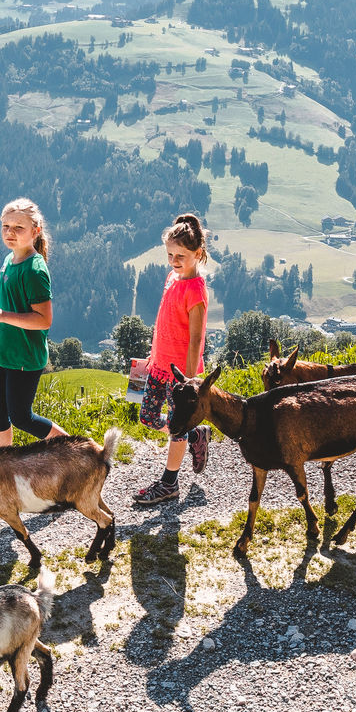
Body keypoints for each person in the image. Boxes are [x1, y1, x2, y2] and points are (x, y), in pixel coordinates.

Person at [131, 213, 213, 506]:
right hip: (159, 365)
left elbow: (195, 339)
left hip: (181, 375)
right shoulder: (172, 278)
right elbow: (164, 321)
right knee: (148, 417)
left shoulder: (196, 290)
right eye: (170, 254)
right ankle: (196, 434)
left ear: (198, 254)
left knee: (176, 426)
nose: (174, 260)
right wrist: (153, 355)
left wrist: (189, 382)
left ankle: (169, 483)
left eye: (181, 255)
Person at [0, 197, 67, 447]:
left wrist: (1, 315)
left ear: (35, 232)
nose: (9, 233)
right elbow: (9, 305)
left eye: (18, 227)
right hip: (2, 351)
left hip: (24, 359)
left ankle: (77, 449)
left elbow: (44, 320)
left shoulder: (35, 270)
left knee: (21, 417)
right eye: (5, 226)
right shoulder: (10, 259)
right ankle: (2, 472)